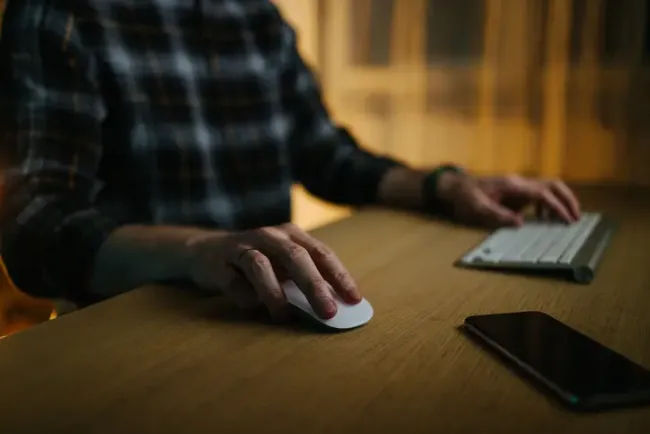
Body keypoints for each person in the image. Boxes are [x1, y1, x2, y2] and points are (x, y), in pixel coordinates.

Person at [0, 0, 581, 321]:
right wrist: (202, 249)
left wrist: (445, 186)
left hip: (268, 318)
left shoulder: (256, 17)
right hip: (140, 330)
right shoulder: (60, 13)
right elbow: (38, 229)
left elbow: (326, 156)